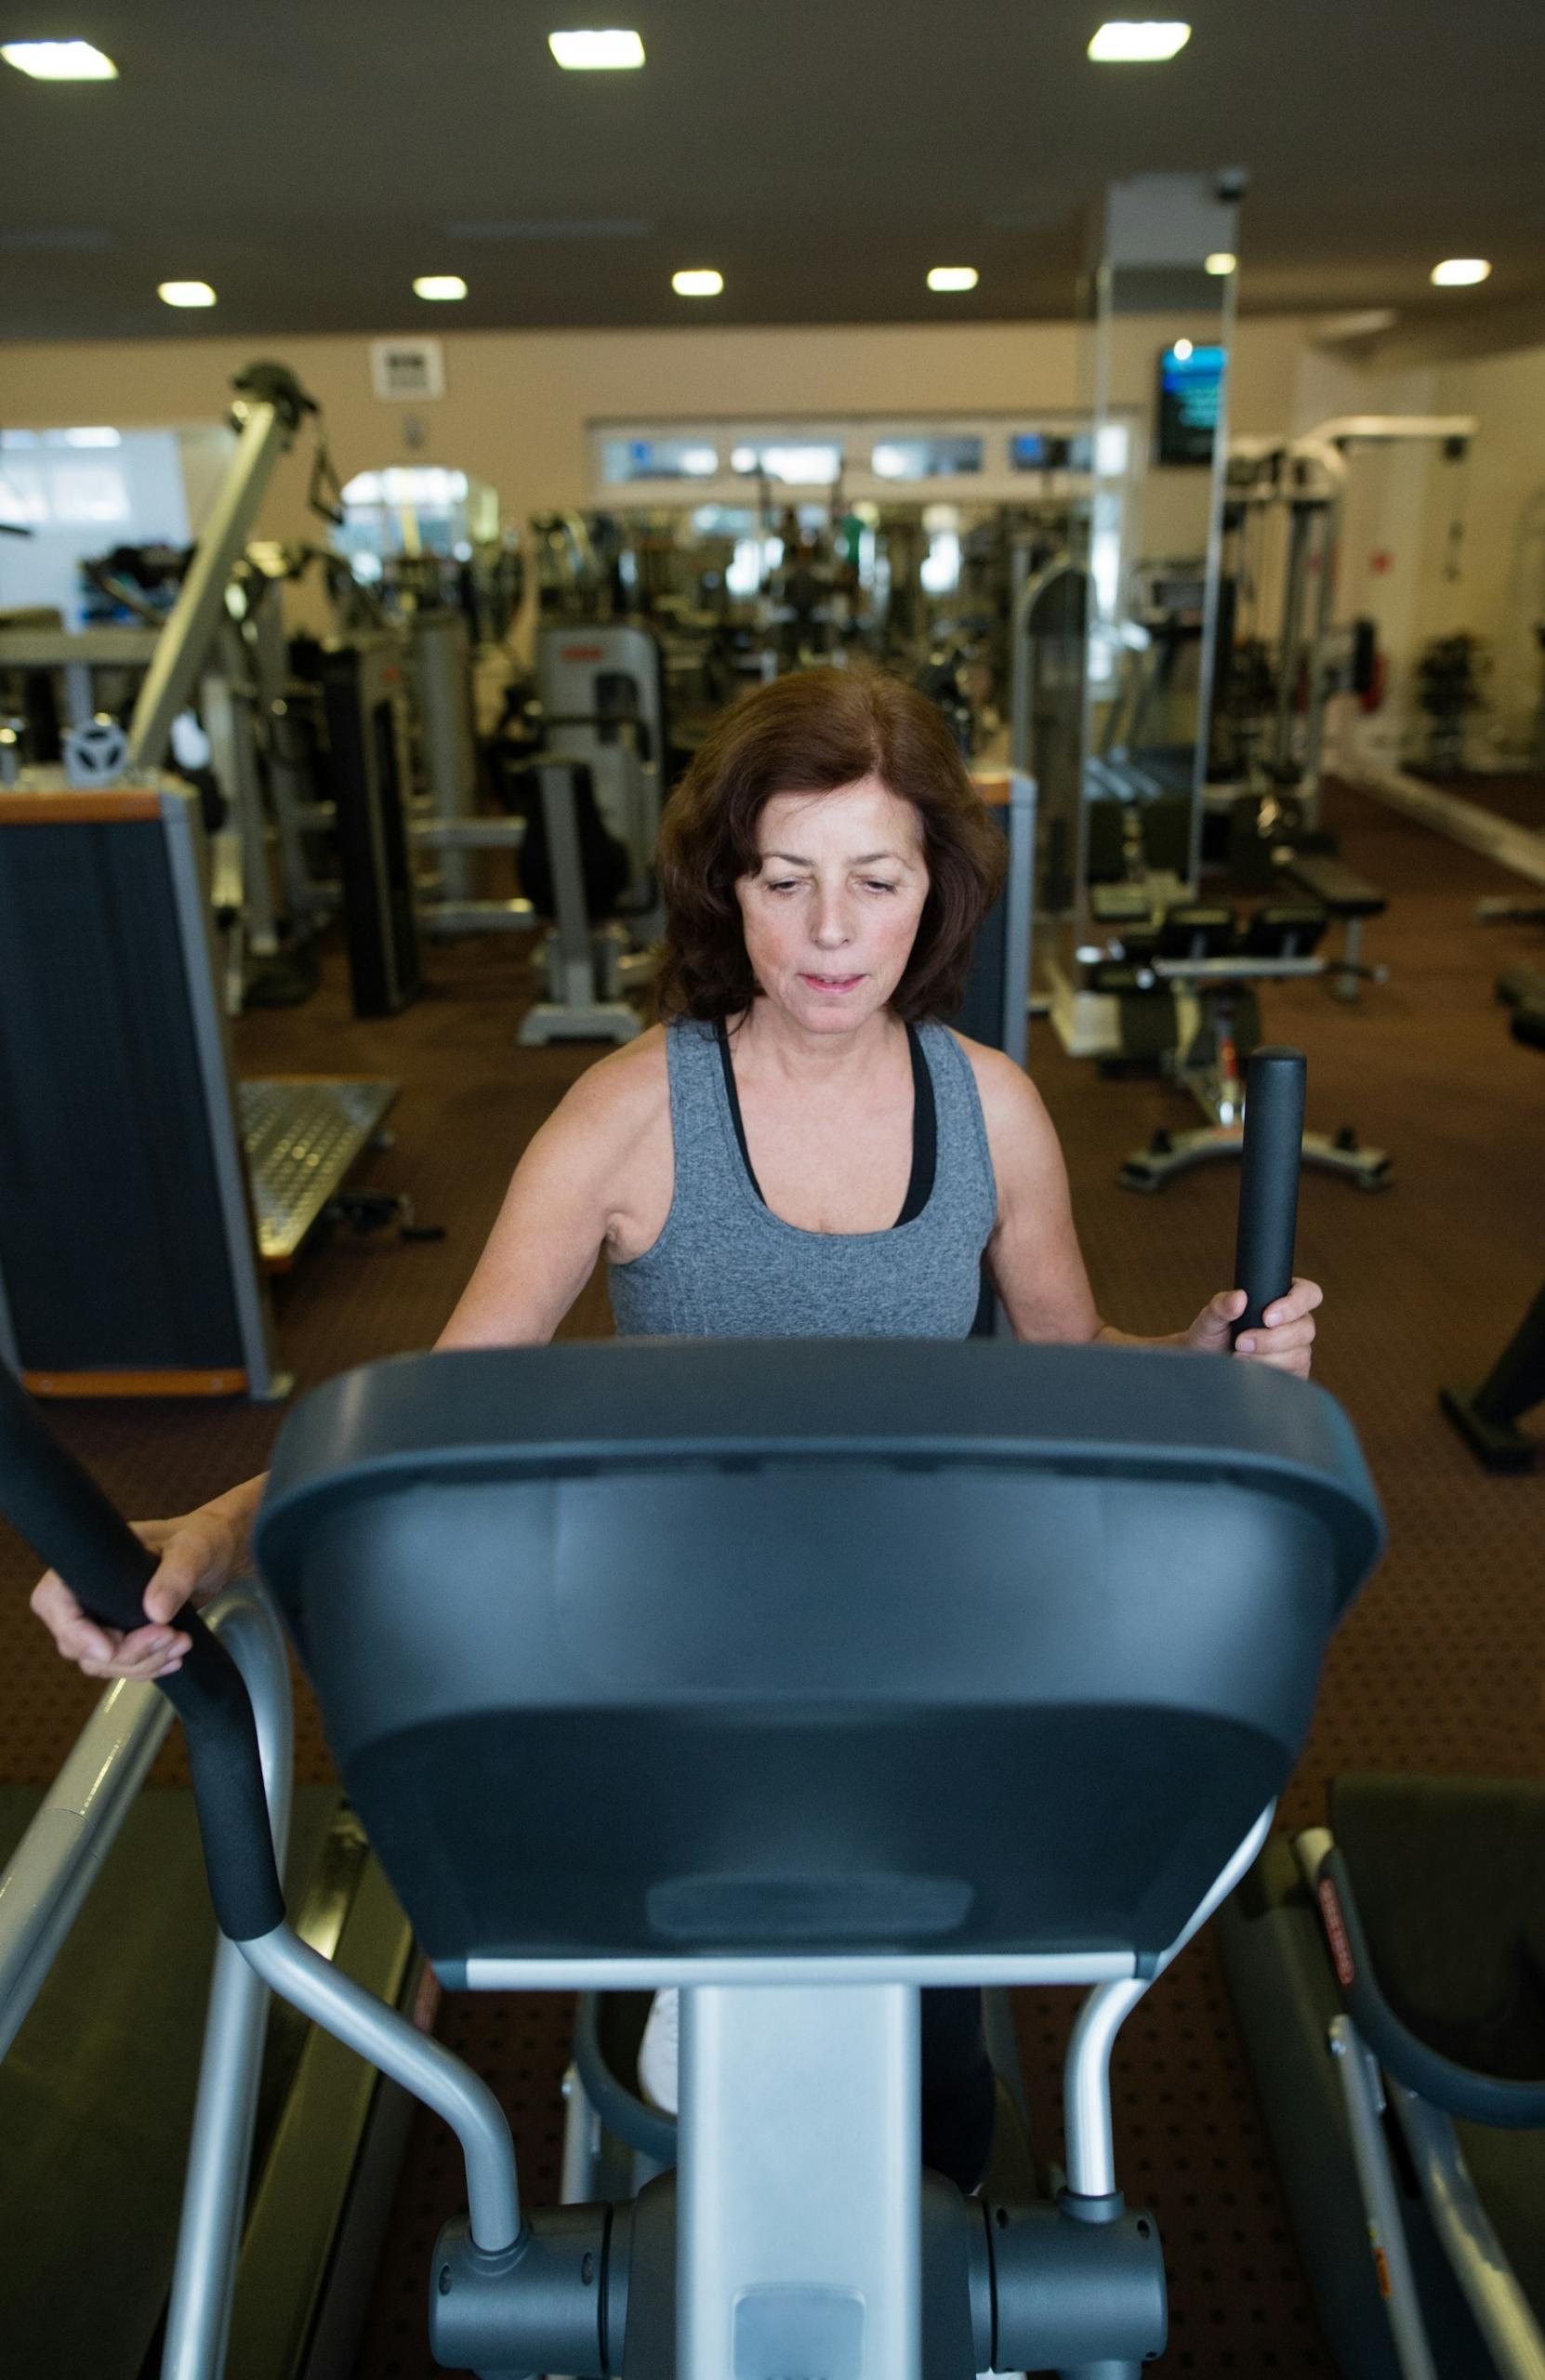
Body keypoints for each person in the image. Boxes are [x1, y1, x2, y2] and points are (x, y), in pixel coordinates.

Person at [32, 665, 1320, 2185]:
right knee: (729, 2067)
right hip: (691, 1648)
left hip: (931, 1632)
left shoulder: (992, 1109)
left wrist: (1192, 1352)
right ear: (730, 887)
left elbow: (1065, 1358)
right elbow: (421, 1422)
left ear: (934, 893)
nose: (831, 931)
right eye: (786, 880)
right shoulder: (629, 1113)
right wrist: (207, 1533)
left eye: (875, 879)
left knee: (941, 2083)